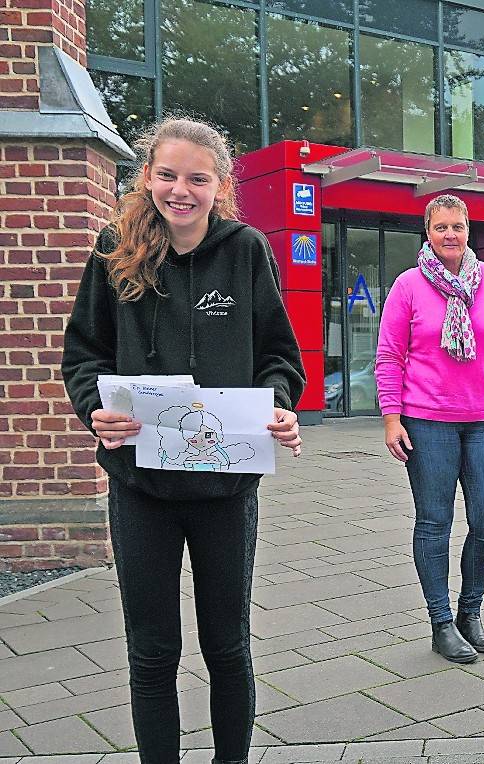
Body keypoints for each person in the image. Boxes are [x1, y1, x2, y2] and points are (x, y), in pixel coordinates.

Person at [61, 116, 305, 764]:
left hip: (225, 487)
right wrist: (95, 408)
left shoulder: (246, 250)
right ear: (147, 177)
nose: (181, 190)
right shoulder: (115, 248)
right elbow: (83, 355)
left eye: (197, 178)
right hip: (140, 486)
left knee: (228, 647)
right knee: (152, 651)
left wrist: (278, 407)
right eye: (167, 175)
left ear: (220, 184)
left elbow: (279, 356)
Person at [376, 193, 484, 664]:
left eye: (457, 227)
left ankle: (470, 612)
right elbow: (389, 355)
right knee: (434, 523)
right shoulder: (408, 286)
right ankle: (441, 621)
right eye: (441, 227)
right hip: (427, 423)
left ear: (469, 231)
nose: (450, 235)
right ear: (428, 232)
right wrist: (391, 417)